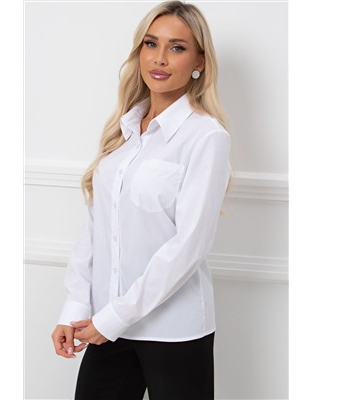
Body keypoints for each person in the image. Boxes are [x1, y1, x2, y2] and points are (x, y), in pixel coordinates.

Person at [51, 1, 231, 399]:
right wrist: (75, 307)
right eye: (151, 43)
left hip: (173, 330)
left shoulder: (206, 137)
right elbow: (95, 228)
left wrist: (114, 317)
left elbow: (188, 246)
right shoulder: (124, 131)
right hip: (106, 324)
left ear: (199, 61)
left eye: (177, 47)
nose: (160, 58)